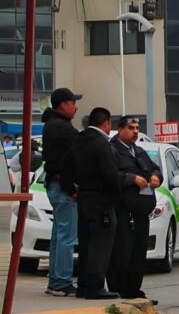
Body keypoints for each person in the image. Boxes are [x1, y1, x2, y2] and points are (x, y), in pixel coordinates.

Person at [107, 117, 162, 302]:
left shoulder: (138, 151)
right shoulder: (112, 150)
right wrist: (131, 178)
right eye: (131, 128)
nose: (135, 132)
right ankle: (120, 289)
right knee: (122, 251)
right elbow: (109, 175)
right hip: (122, 210)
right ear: (120, 129)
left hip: (140, 211)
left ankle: (134, 290)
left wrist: (155, 177)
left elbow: (155, 168)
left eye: (137, 128)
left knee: (139, 252)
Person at [71, 107, 121, 300]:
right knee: (100, 246)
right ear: (106, 123)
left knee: (85, 244)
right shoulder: (102, 144)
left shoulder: (79, 140)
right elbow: (110, 174)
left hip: (83, 197)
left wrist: (73, 189)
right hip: (101, 201)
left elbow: (66, 165)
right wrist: (117, 197)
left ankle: (83, 285)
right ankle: (96, 287)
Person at [41, 87, 82, 297]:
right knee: (67, 237)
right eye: (73, 102)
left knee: (58, 235)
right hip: (63, 187)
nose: (76, 107)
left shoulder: (51, 125)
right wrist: (71, 188)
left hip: (54, 185)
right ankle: (62, 282)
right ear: (63, 104)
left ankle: (55, 280)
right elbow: (66, 162)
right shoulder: (63, 128)